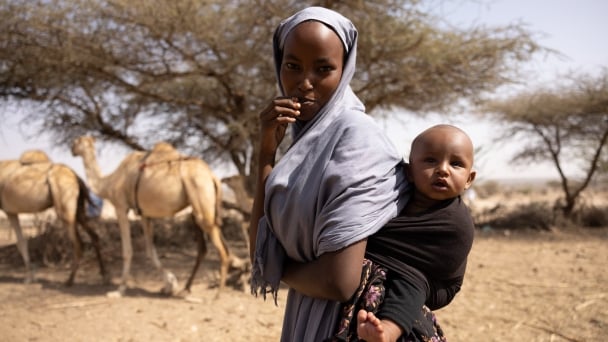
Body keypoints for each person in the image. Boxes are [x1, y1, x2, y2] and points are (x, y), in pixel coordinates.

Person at [248, 6, 415, 342]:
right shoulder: (307, 141)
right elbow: (261, 248)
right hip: (309, 310)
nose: (304, 84)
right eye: (292, 66)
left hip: (352, 325)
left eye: (323, 69)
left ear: (345, 70)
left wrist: (279, 269)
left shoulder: (357, 138)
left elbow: (338, 282)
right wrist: (266, 151)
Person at [332, 124, 477, 342]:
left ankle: (389, 331)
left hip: (434, 281)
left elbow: (373, 238)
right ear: (409, 171)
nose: (443, 170)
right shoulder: (392, 196)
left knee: (411, 281)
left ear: (469, 179)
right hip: (404, 267)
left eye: (456, 164)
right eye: (431, 160)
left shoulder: (456, 223)